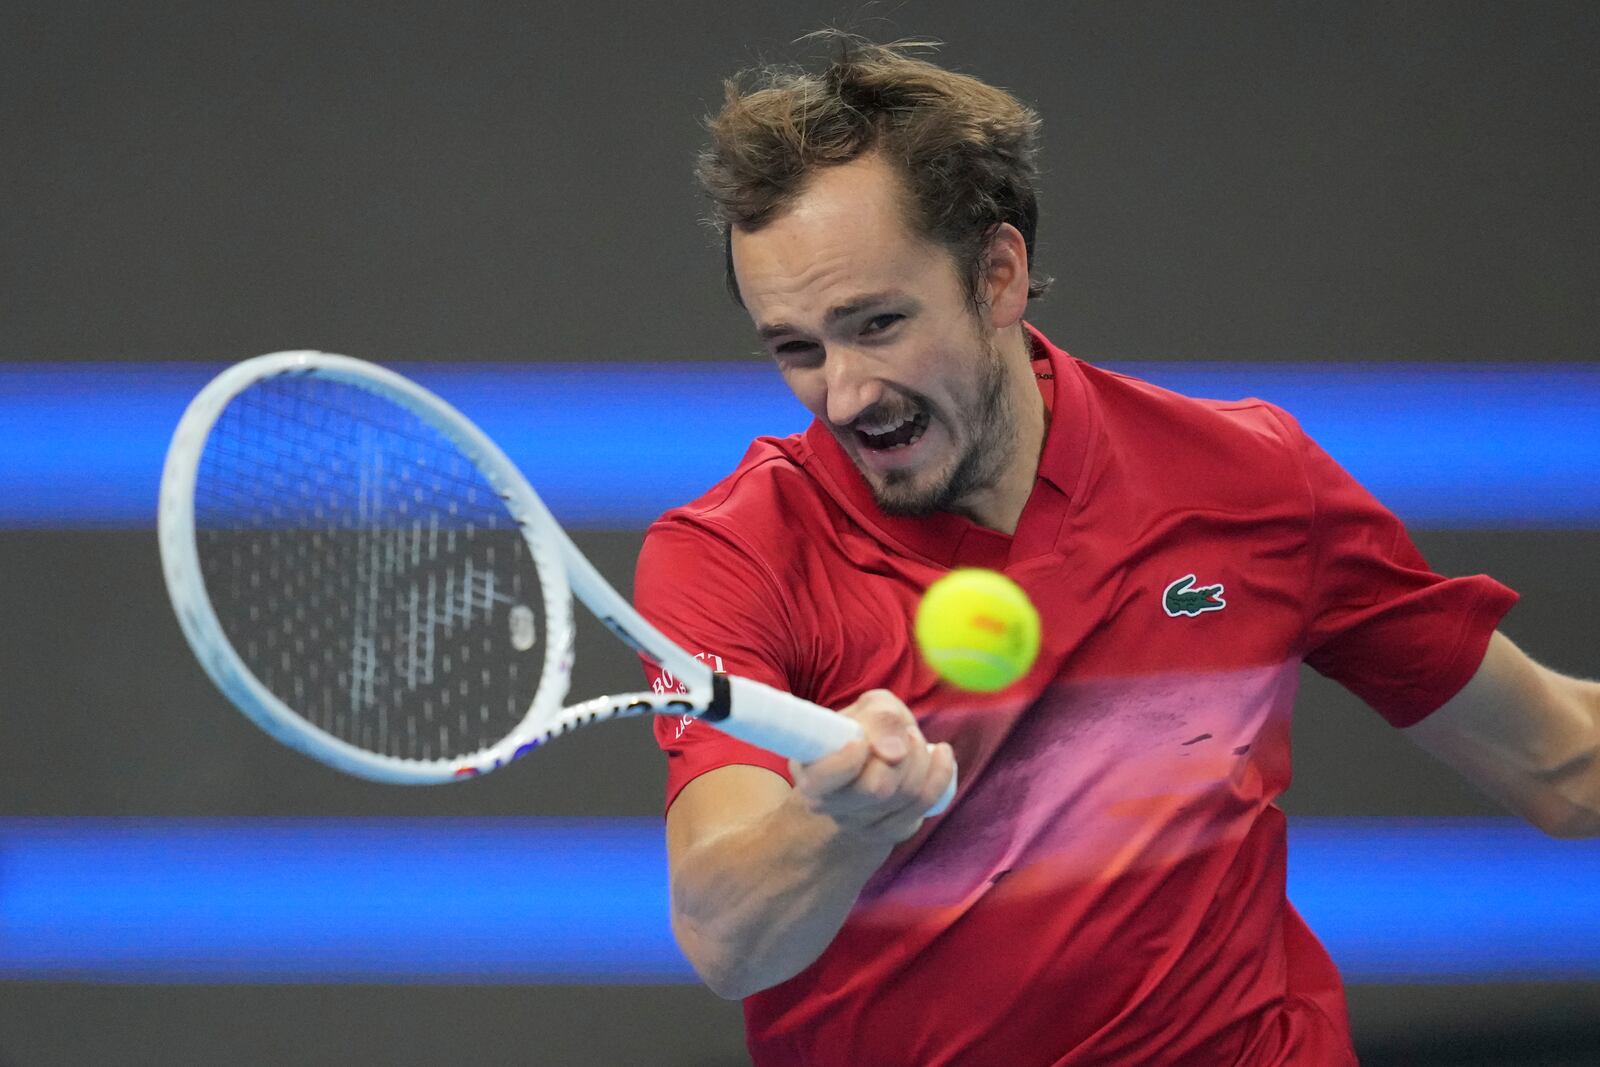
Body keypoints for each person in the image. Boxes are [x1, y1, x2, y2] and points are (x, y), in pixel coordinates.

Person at [632, 33, 1599, 1067]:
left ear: (997, 275)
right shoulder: (726, 555)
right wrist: (844, 821)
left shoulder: (1252, 480)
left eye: (877, 323)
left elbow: (1562, 763)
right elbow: (727, 937)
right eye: (797, 347)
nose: (846, 391)